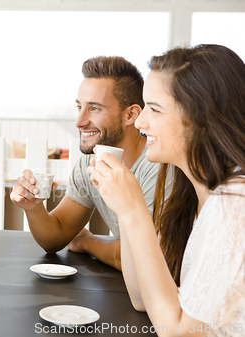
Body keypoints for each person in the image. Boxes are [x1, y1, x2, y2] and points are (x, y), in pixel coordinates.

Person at [90, 44, 245, 336]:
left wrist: (135, 211)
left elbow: (176, 332)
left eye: (154, 109)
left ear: (200, 119)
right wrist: (125, 209)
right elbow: (140, 300)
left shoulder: (234, 206)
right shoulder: (195, 193)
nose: (140, 121)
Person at [10, 56, 168, 270]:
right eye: (79, 107)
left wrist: (87, 241)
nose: (79, 121)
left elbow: (145, 258)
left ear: (131, 114)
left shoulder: (159, 167)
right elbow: (54, 238)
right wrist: (33, 208)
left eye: (94, 108)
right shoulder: (90, 162)